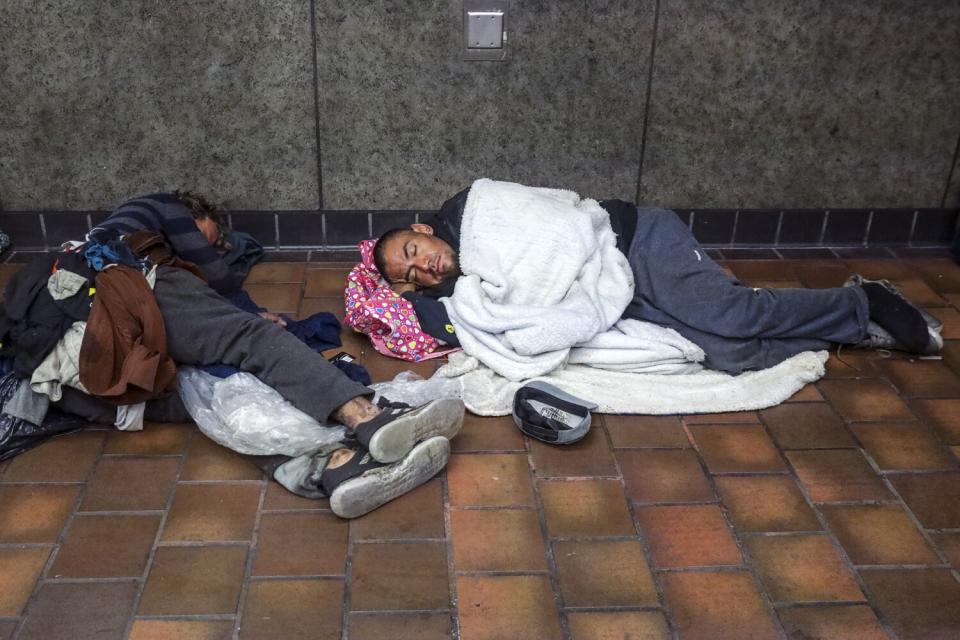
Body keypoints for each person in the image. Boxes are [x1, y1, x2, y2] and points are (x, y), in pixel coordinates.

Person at [3, 192, 465, 519]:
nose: (214, 243)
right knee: (250, 340)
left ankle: (330, 471)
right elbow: (218, 280)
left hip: (73, 371)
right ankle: (368, 418)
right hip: (107, 296)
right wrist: (254, 312)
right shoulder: (155, 211)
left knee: (219, 398)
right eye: (211, 234)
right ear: (190, 213)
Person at [372, 184, 942, 374]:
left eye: (415, 249)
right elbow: (450, 322)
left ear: (424, 227)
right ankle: (851, 326)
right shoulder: (459, 287)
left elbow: (555, 233)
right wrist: (403, 292)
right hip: (614, 292)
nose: (426, 265)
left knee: (731, 315)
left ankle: (864, 301)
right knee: (723, 354)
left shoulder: (477, 206)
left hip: (636, 241)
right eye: (413, 273)